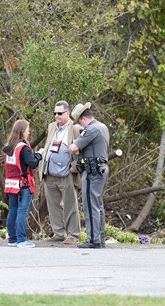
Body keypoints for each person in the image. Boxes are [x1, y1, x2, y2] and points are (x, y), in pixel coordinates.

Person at [39, 100, 82, 245]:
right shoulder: (52, 127)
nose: (57, 116)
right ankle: (58, 233)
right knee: (53, 204)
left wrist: (75, 166)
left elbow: (82, 150)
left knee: (70, 204)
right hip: (49, 173)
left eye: (60, 113)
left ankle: (73, 235)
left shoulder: (75, 128)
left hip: (66, 173)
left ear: (68, 113)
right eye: (55, 113)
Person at [69, 103, 109, 249]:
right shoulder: (103, 127)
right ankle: (100, 238)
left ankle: (93, 239)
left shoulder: (91, 130)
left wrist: (72, 142)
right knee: (98, 205)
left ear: (83, 119)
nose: (80, 125)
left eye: (80, 122)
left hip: (93, 172)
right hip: (100, 169)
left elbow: (73, 148)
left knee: (90, 205)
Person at [3, 119, 42, 248]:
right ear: (22, 132)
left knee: (12, 210)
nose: (29, 132)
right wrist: (38, 155)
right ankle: (21, 239)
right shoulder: (23, 147)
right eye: (27, 130)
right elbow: (33, 163)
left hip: (11, 183)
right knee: (22, 211)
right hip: (23, 183)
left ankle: (12, 239)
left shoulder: (9, 146)